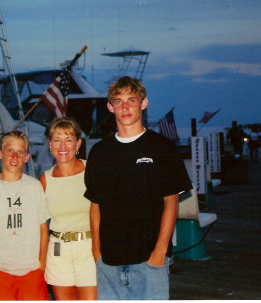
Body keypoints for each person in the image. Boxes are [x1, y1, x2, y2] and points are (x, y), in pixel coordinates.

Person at [84, 76, 192, 300]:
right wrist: (96, 251)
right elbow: (95, 205)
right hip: (108, 262)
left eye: (131, 100)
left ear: (143, 103)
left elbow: (171, 202)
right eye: (118, 101)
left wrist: (160, 252)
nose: (125, 107)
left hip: (149, 261)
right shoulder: (99, 152)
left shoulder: (163, 148)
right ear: (110, 106)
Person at [0, 131, 49, 300]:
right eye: (9, 150)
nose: (15, 156)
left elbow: (43, 228)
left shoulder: (34, 186)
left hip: (32, 272)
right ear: (0, 153)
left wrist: (41, 265)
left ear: (27, 157)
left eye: (20, 152)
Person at [39, 117, 97, 300]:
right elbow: (38, 225)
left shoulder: (92, 170)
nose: (62, 146)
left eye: (69, 140)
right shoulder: (44, 179)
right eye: (57, 140)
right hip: (58, 251)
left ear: (78, 143)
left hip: (90, 249)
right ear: (50, 144)